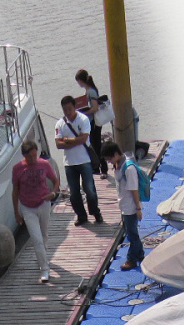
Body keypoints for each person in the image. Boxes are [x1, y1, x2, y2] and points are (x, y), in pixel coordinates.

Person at [12, 139, 59, 283]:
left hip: (43, 203)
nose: (32, 159)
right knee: (36, 238)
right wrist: (16, 212)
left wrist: (53, 193)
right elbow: (15, 191)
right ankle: (44, 268)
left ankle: (42, 256)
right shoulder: (17, 169)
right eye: (29, 157)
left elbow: (55, 180)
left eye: (34, 155)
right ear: (24, 156)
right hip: (27, 207)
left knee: (43, 234)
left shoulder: (44, 164)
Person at [55, 96, 103, 226]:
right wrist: (73, 142)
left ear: (74, 107)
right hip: (69, 163)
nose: (67, 112)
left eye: (69, 109)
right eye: (65, 110)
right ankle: (81, 216)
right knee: (74, 193)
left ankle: (95, 212)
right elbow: (58, 144)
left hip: (84, 160)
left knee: (90, 190)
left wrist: (67, 141)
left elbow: (83, 139)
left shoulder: (83, 119)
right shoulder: (60, 123)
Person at [101, 140, 144, 271]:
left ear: (116, 154)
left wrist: (138, 208)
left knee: (132, 235)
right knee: (131, 233)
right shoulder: (118, 165)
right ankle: (140, 255)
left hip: (131, 207)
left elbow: (134, 189)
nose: (109, 162)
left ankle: (131, 260)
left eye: (109, 159)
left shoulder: (129, 168)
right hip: (124, 206)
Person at [74, 69, 107, 177]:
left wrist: (84, 113)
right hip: (90, 122)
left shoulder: (91, 92)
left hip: (94, 122)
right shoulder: (89, 91)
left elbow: (95, 108)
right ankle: (96, 167)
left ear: (80, 80)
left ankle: (103, 168)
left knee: (96, 145)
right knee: (93, 145)